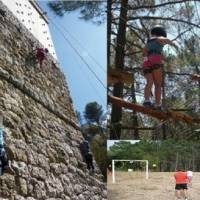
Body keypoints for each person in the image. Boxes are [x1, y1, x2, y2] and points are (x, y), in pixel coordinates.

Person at [142, 25, 178, 109]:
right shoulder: (159, 38)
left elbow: (144, 53)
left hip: (146, 62)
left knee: (149, 82)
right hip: (155, 60)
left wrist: (147, 62)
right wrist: (173, 44)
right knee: (158, 84)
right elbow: (164, 40)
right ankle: (158, 105)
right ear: (160, 33)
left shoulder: (148, 42)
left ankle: (146, 101)